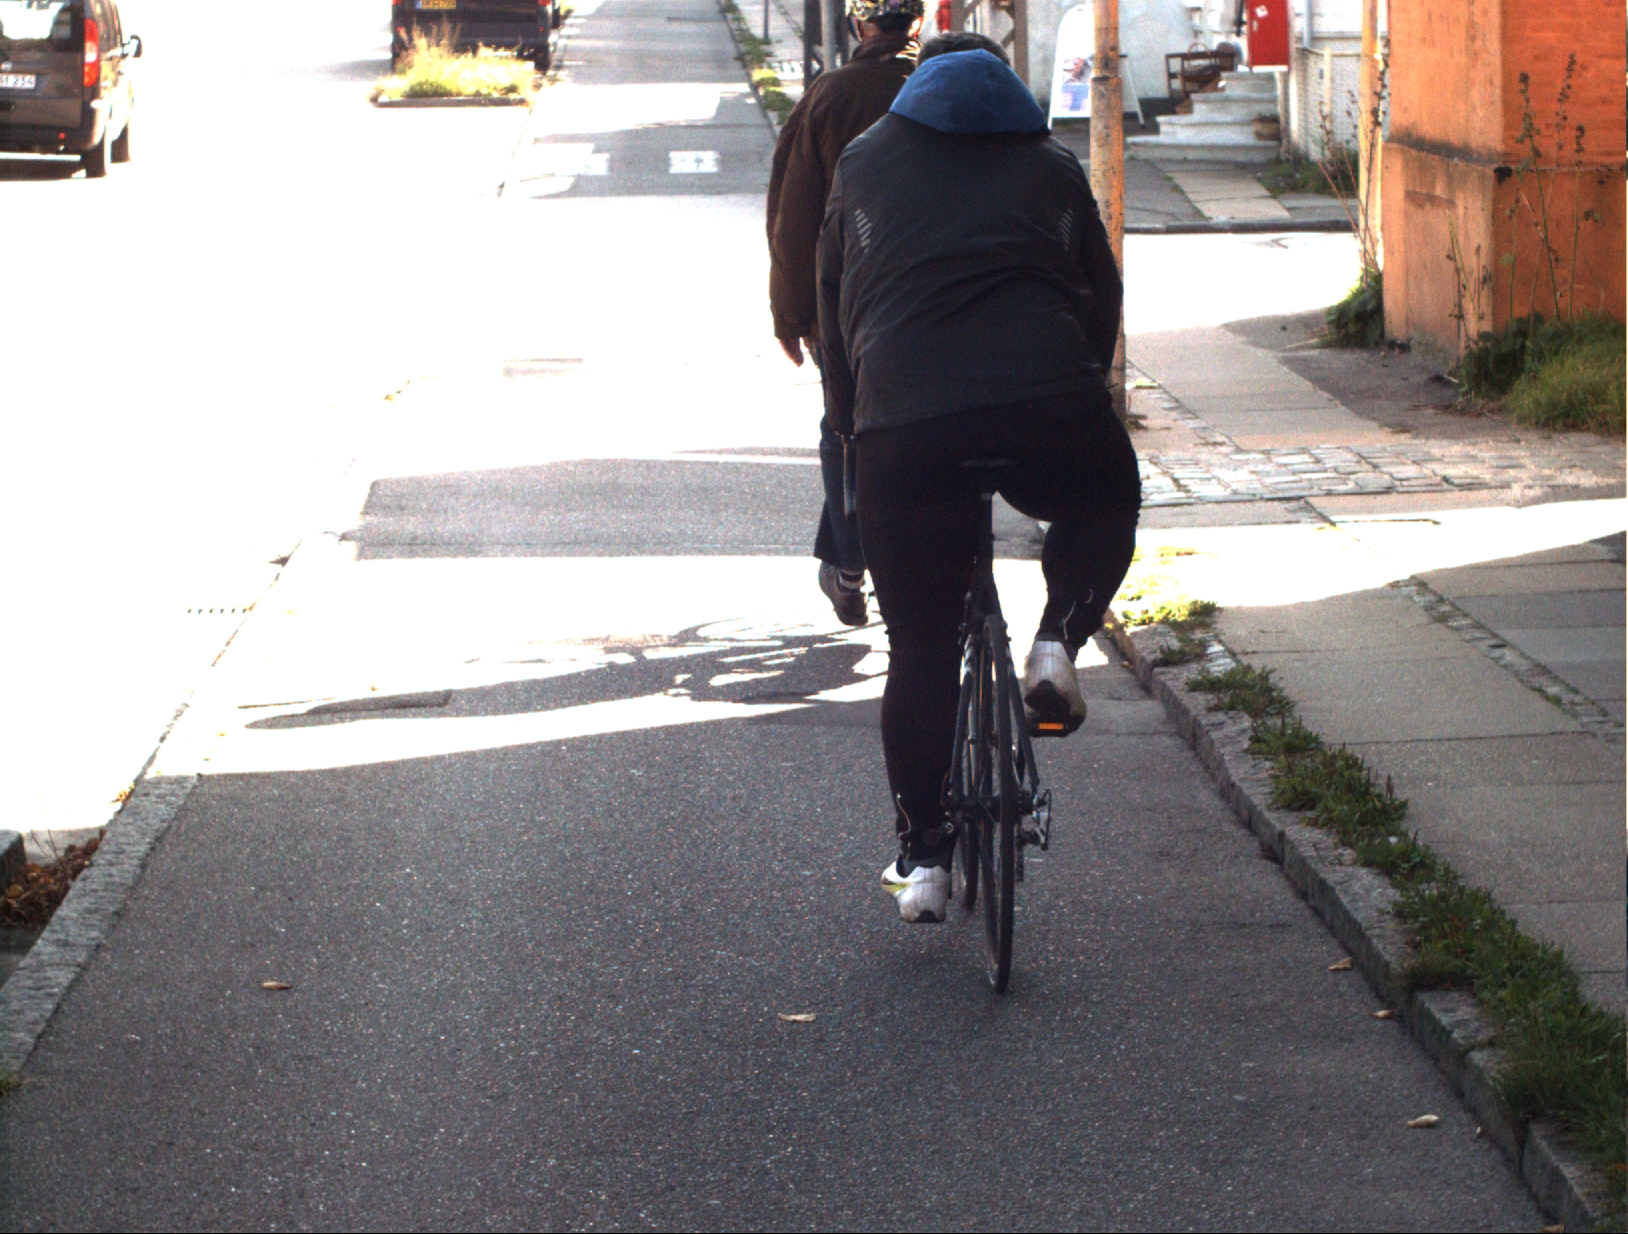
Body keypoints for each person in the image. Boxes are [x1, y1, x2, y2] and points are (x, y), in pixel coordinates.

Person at [815, 36, 1141, 923]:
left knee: (921, 647)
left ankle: (924, 859)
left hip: (907, 429)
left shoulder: (865, 164)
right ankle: (1056, 642)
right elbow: (1101, 291)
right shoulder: (1051, 164)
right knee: (1106, 498)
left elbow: (833, 312)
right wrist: (1081, 384)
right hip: (1047, 408)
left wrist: (852, 427)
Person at [765, 0, 923, 627]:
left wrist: (789, 315)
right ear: (919, 24)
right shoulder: (942, 84)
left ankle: (850, 560)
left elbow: (794, 215)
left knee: (846, 429)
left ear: (860, 26)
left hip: (847, 301)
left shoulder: (831, 94)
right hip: (944, 295)